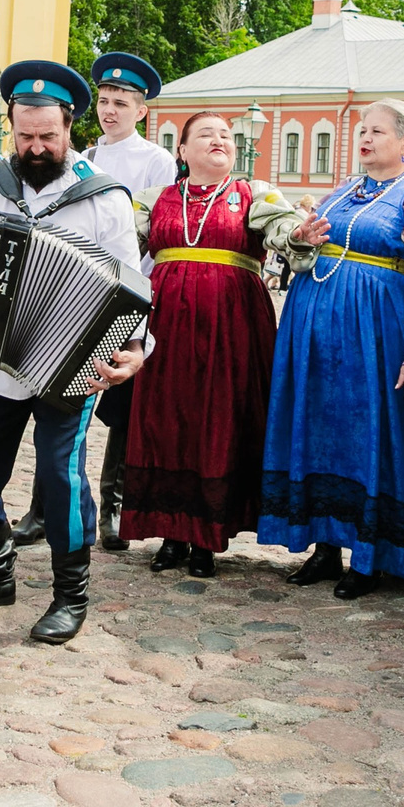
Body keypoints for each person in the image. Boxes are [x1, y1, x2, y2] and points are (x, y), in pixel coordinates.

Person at [0, 61, 148, 644]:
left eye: (47, 136)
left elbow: (134, 285)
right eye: (24, 135)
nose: (34, 147)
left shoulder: (104, 198)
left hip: (72, 363)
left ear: (69, 125)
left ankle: (69, 596)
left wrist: (135, 353)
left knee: (60, 478)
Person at [257, 100, 404, 596]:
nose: (365, 139)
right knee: (319, 425)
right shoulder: (342, 190)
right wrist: (301, 234)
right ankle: (323, 548)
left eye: (377, 132)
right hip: (316, 325)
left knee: (369, 432)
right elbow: (307, 245)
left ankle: (369, 557)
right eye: (362, 131)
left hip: (374, 329)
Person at [123, 110, 299, 576]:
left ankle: (206, 537)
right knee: (166, 420)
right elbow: (116, 248)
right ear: (182, 151)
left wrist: (299, 235)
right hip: (163, 328)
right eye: (205, 134)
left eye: (225, 134)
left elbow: (286, 233)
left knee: (219, 420)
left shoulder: (255, 195)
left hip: (233, 327)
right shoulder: (153, 199)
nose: (219, 140)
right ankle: (169, 532)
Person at [83, 52, 180, 553]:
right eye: (103, 101)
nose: (110, 111)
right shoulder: (86, 158)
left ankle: (113, 505)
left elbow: (151, 232)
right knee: (67, 397)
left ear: (141, 111)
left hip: (129, 294)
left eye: (121, 103)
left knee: (123, 406)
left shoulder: (155, 161)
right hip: (81, 293)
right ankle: (52, 504)